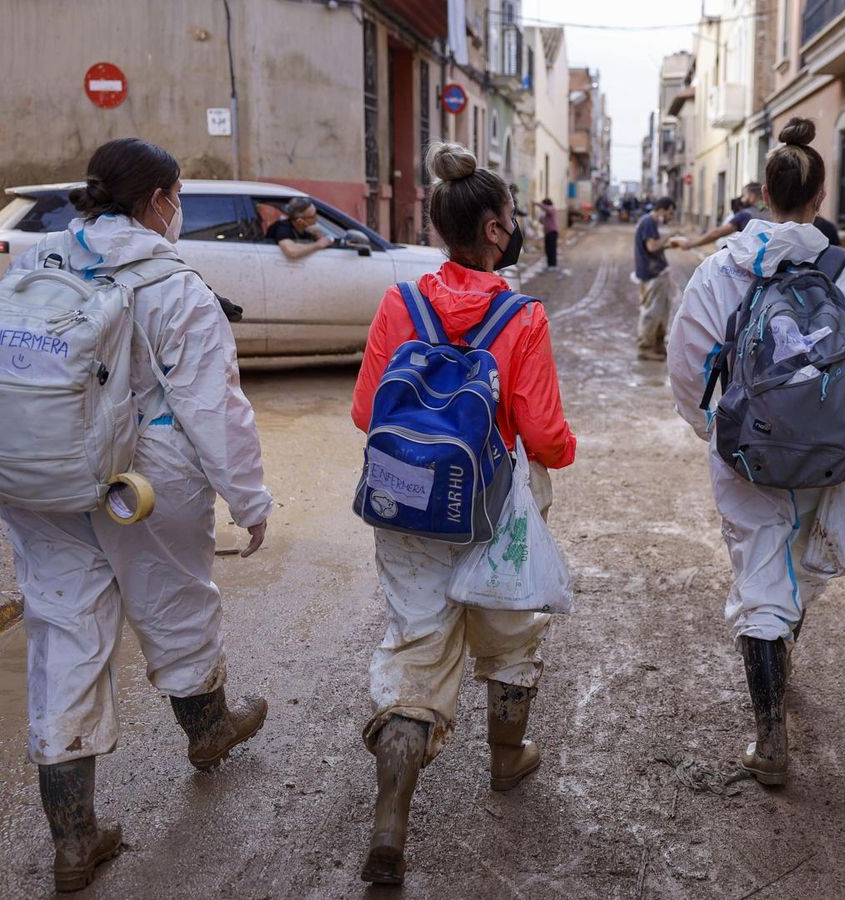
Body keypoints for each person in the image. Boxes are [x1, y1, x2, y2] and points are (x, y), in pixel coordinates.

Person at [0, 138, 271, 892]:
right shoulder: (174, 284)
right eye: (175, 197)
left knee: (64, 634)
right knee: (177, 601)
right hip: (142, 481)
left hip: (38, 475)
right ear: (158, 201)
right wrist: (249, 502)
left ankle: (75, 839)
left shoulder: (39, 258)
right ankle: (209, 731)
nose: (176, 211)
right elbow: (214, 410)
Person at [351, 142, 577, 885]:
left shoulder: (399, 303)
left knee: (416, 649)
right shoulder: (521, 316)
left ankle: (391, 819)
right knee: (511, 633)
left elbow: (364, 410)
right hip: (490, 503)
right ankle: (507, 761)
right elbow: (543, 436)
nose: (512, 227)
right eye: (509, 217)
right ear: (490, 228)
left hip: (404, 500)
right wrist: (564, 449)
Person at [668, 118, 845, 786]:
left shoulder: (723, 268)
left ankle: (770, 736)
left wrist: (711, 427)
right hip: (827, 454)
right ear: (820, 197)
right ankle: (780, 649)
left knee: (761, 573)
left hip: (748, 453)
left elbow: (688, 366)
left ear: (762, 195)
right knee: (800, 568)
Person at [633, 196, 678, 360]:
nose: (670, 217)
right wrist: (669, 236)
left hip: (656, 273)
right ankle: (645, 348)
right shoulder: (649, 222)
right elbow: (652, 247)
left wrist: (668, 245)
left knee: (661, 311)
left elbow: (653, 246)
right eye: (670, 213)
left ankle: (658, 345)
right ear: (663, 209)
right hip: (652, 274)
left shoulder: (648, 222)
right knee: (651, 312)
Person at [673, 182, 769, 250]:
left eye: (744, 195)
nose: (742, 199)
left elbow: (717, 233)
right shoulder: (771, 212)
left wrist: (690, 244)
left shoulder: (746, 214)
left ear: (752, 196)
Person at [267, 196, 334, 261]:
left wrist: (319, 235)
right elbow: (292, 252)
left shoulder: (307, 230)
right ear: (300, 221)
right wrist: (318, 244)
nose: (316, 218)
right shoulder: (283, 229)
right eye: (313, 216)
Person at [531, 197, 561, 272]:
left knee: (552, 249)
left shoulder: (552, 209)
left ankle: (553, 265)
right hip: (548, 233)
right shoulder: (547, 213)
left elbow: (547, 208)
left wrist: (536, 203)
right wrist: (541, 218)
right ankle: (549, 265)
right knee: (548, 249)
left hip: (552, 232)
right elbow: (544, 221)